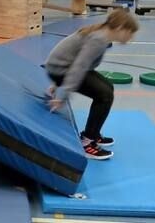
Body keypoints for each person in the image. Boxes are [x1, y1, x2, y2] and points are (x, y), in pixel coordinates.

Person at [44, 9, 139, 160]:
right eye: (130, 33)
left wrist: (57, 84)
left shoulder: (104, 36)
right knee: (104, 95)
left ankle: (94, 134)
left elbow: (85, 63)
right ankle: (87, 142)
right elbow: (79, 67)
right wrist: (61, 93)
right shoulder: (99, 39)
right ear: (120, 28)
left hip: (61, 68)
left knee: (108, 88)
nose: (131, 37)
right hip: (60, 70)